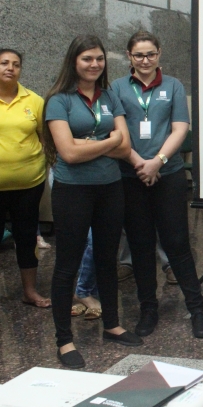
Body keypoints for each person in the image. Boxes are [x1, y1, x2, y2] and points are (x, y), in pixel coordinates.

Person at [43, 34, 142, 369]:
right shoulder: (59, 100)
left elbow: (125, 145)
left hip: (110, 188)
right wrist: (107, 141)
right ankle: (64, 340)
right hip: (73, 191)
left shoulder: (109, 95)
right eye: (87, 58)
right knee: (67, 265)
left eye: (99, 58)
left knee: (106, 259)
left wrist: (87, 142)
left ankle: (112, 325)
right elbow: (68, 153)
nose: (94, 64)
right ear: (74, 61)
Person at [111, 30, 203, 339]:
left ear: (159, 54)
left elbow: (180, 128)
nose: (145, 60)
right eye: (139, 55)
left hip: (168, 175)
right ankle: (148, 309)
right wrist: (140, 163)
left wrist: (157, 162)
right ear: (129, 56)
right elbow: (117, 132)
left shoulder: (173, 86)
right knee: (140, 245)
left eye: (150, 54)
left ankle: (197, 310)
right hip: (131, 176)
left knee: (178, 244)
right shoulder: (116, 88)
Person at [0, 48, 50, 308]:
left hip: (29, 184)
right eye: (4, 63)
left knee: (27, 237)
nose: (10, 68)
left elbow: (45, 138)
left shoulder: (34, 100)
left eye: (16, 64)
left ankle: (29, 291)